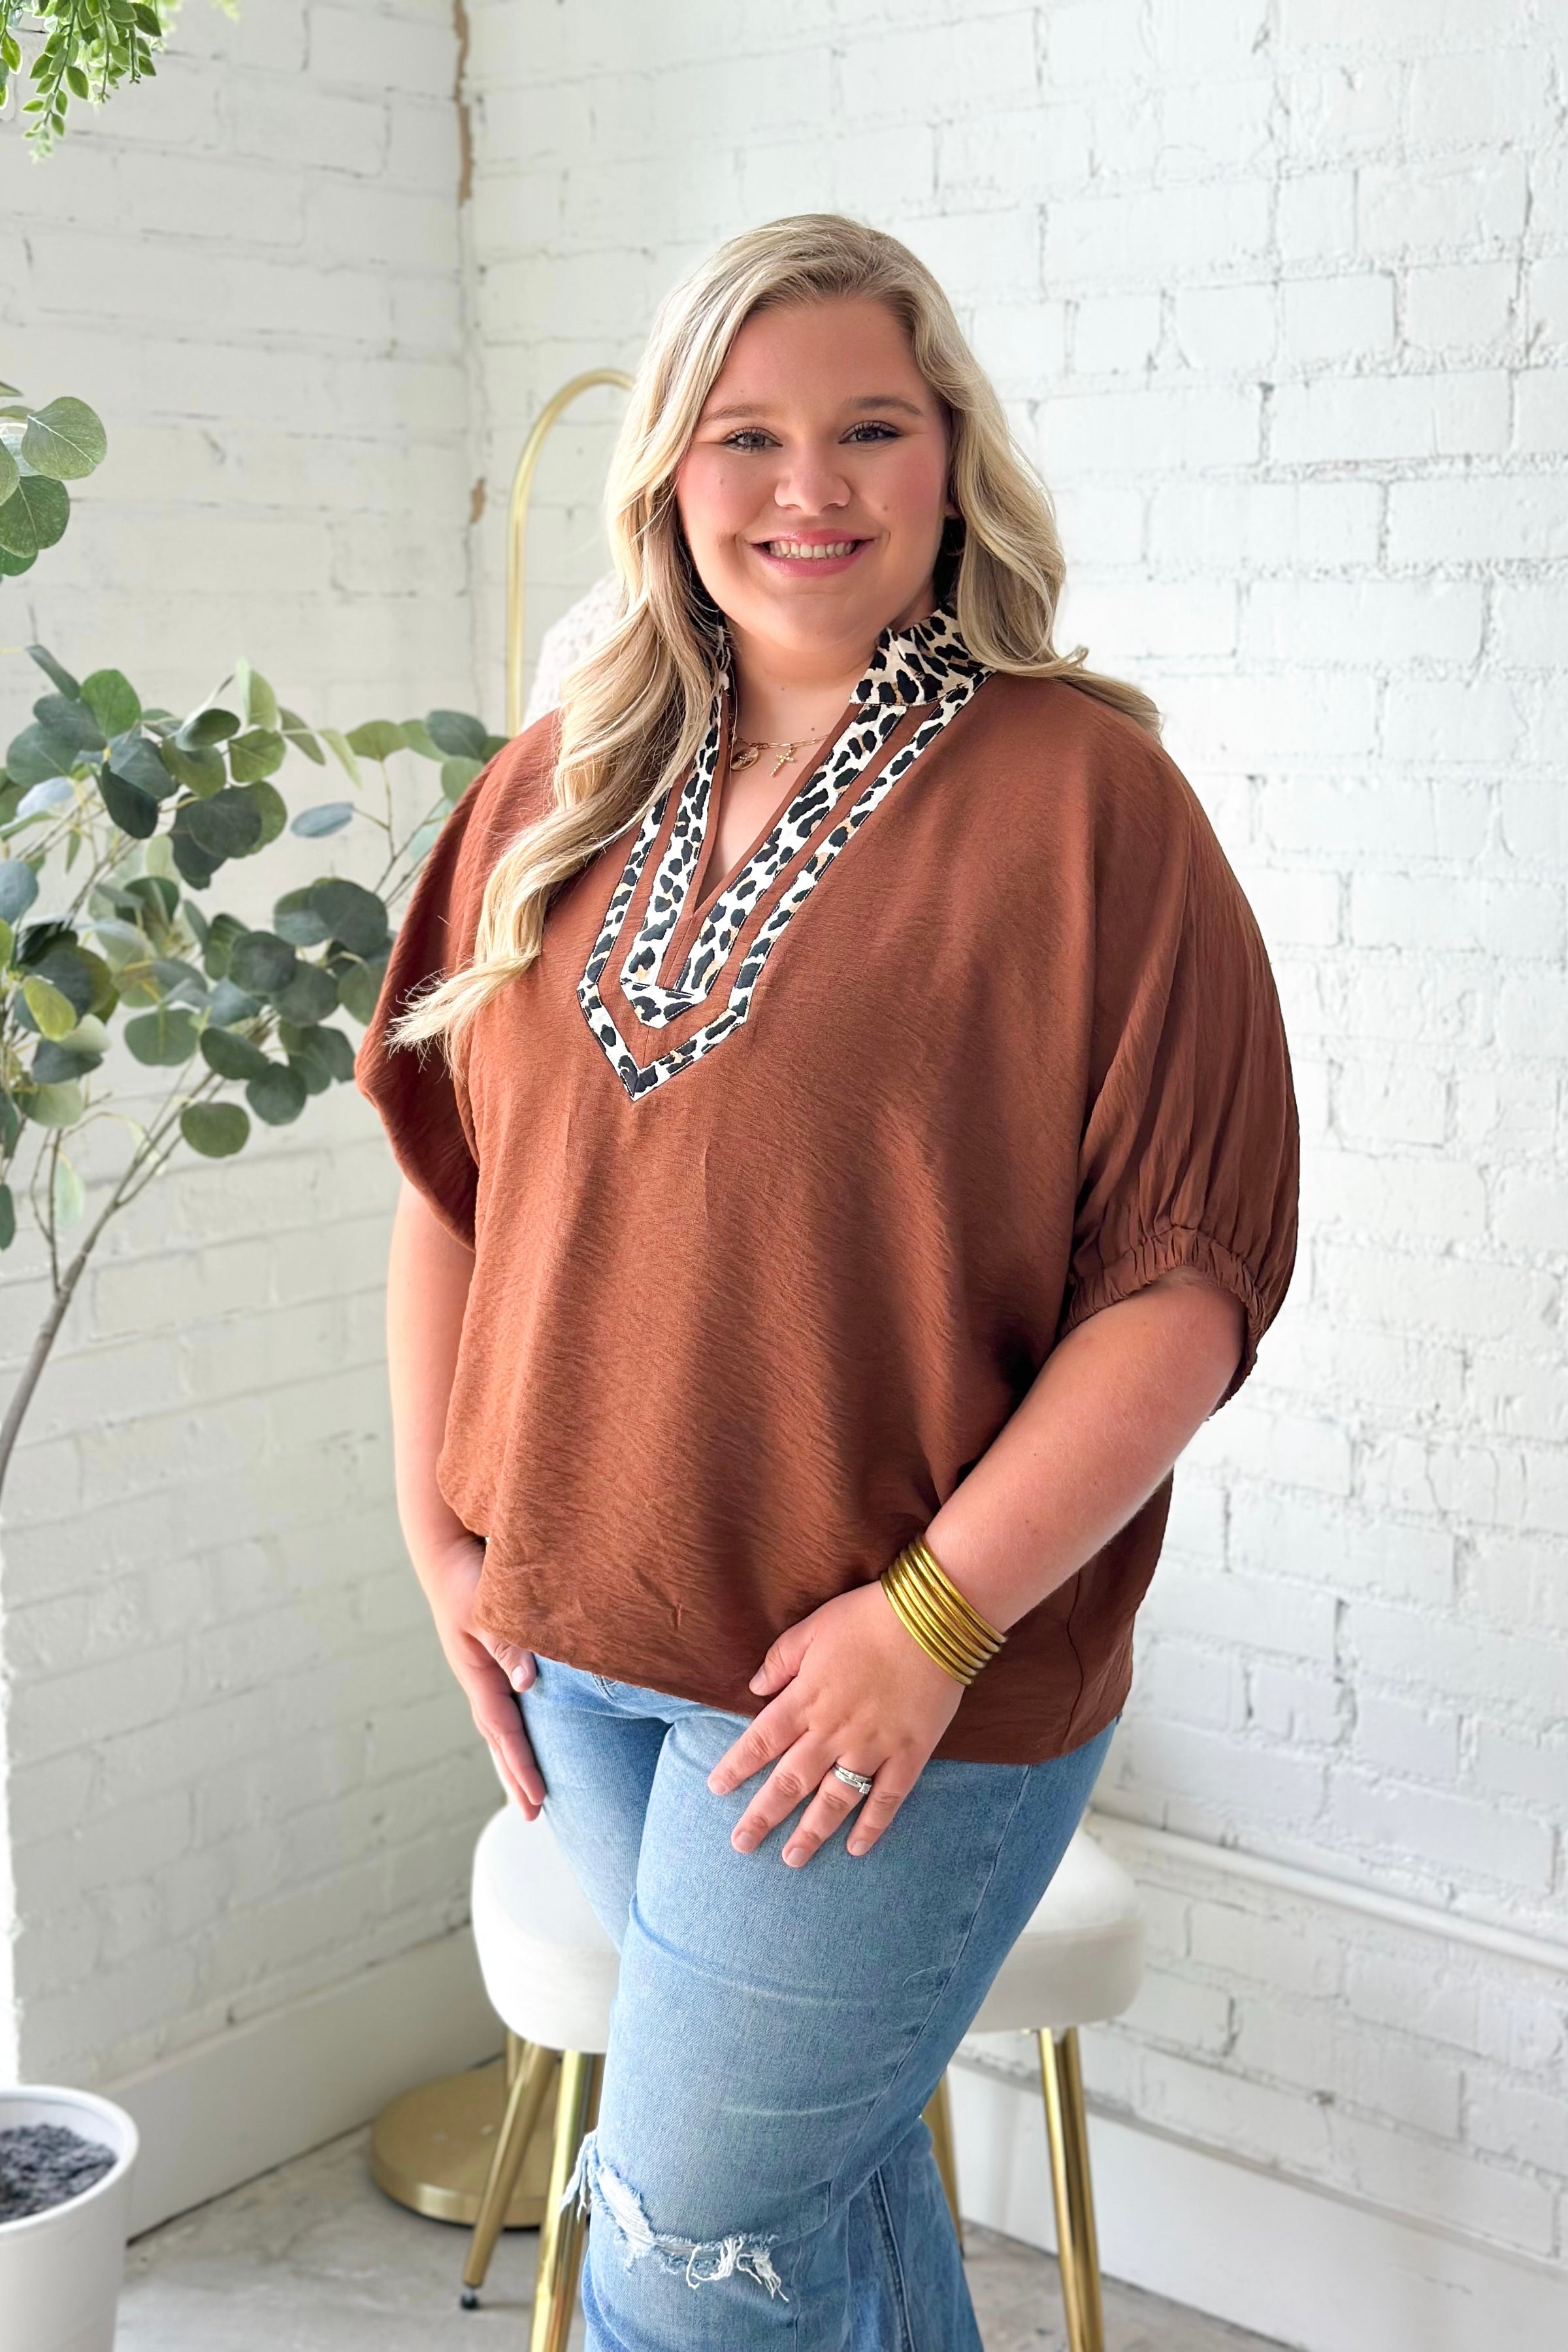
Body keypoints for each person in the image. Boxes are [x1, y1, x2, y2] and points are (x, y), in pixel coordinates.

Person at [355, 213, 1299, 2352]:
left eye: (870, 427)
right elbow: (448, 1181)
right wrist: (436, 1540)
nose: (811, 487)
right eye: (747, 435)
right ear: (670, 470)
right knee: (813, 2214)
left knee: (686, 2256)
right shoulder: (554, 787)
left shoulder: (1092, 804)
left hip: (879, 1700)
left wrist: (931, 1623)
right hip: (576, 1659)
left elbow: (1184, 1293)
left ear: (951, 456)